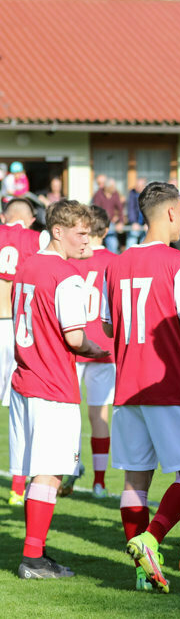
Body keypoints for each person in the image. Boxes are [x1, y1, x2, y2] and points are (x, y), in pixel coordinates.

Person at [101, 181, 180, 593]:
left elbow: (110, 326)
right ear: (169, 212)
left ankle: (141, 574)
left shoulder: (115, 263)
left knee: (134, 482)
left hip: (128, 384)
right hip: (167, 383)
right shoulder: (179, 262)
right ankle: (152, 539)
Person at [9, 200, 109, 580]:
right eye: (81, 233)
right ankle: (33, 559)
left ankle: (36, 552)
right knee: (50, 474)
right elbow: (75, 336)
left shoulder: (28, 265)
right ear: (58, 232)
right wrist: (96, 349)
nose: (88, 241)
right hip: (52, 383)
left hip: (26, 379)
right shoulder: (67, 274)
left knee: (39, 475)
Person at [0, 198, 47, 506]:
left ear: (5, 216)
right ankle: (19, 487)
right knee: (20, 409)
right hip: (19, 329)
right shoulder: (37, 238)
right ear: (31, 220)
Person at [74, 205, 117, 498]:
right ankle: (99, 481)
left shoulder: (71, 258)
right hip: (105, 345)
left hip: (72, 344)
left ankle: (70, 468)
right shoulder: (116, 261)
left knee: (68, 412)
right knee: (99, 413)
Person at [92, 178, 124, 253]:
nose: (114, 189)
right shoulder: (98, 194)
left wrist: (120, 222)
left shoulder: (115, 194)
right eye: (112, 187)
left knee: (113, 244)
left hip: (110, 224)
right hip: (99, 223)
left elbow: (120, 209)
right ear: (107, 187)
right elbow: (95, 211)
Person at [124, 178, 147, 248]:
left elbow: (149, 209)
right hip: (135, 224)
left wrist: (148, 222)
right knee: (131, 242)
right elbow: (131, 209)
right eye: (137, 186)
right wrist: (133, 222)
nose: (137, 188)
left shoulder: (148, 194)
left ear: (144, 187)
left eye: (139, 186)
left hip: (146, 224)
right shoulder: (132, 193)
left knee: (145, 244)